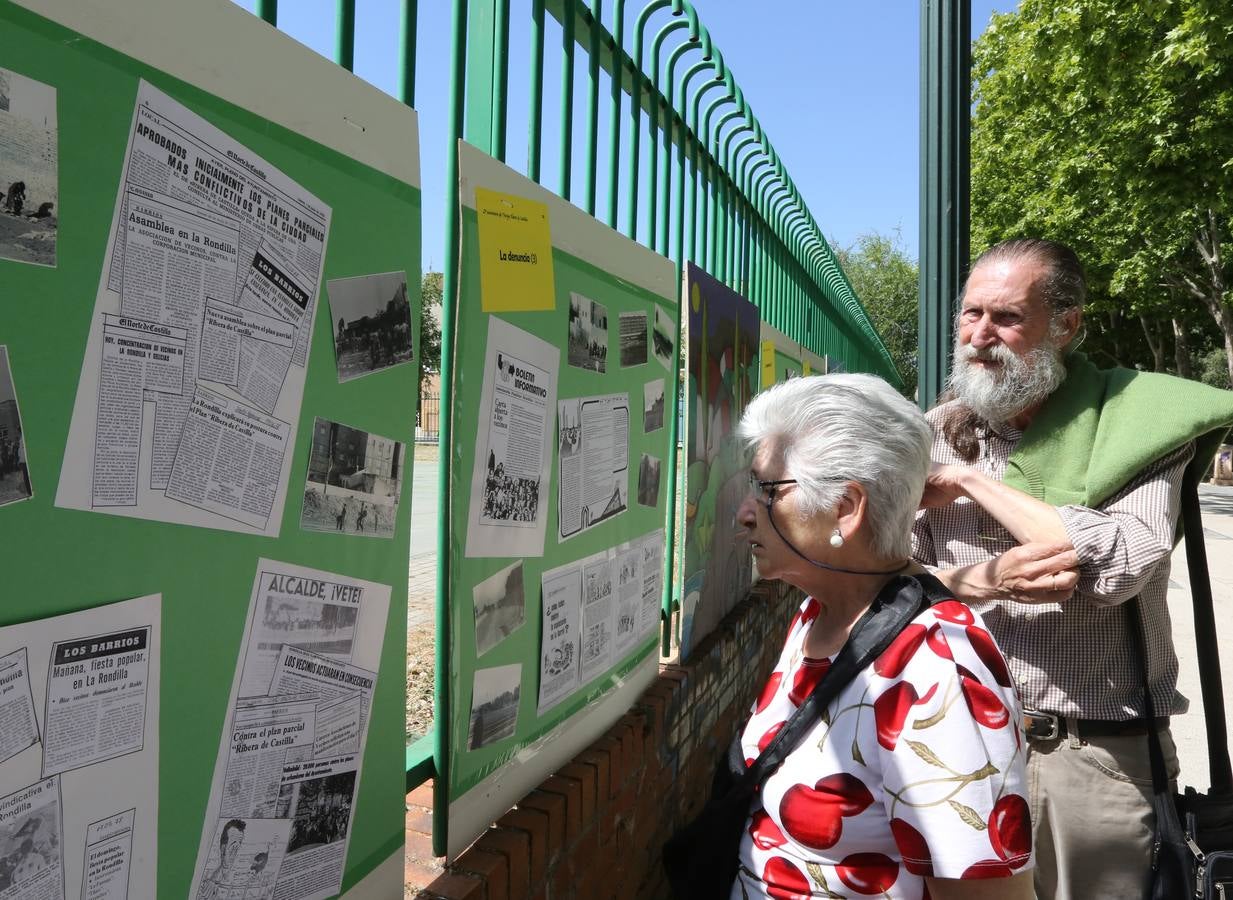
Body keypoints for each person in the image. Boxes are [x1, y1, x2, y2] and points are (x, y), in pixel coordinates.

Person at [912, 237, 1233, 900]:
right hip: (951, 742)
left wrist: (971, 485)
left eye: (1006, 317)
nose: (979, 335)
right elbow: (885, 586)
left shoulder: (1138, 421)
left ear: (1066, 326)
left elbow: (1120, 566)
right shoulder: (930, 433)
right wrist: (986, 581)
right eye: (971, 314)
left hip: (1089, 759)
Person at [732, 374, 1033, 900]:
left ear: (845, 509)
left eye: (768, 490)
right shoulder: (821, 610)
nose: (745, 512)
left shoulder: (938, 670)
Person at [199, 818, 245, 899]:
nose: (237, 848)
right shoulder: (210, 880)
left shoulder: (239, 876)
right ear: (223, 848)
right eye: (234, 844)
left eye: (239, 843)